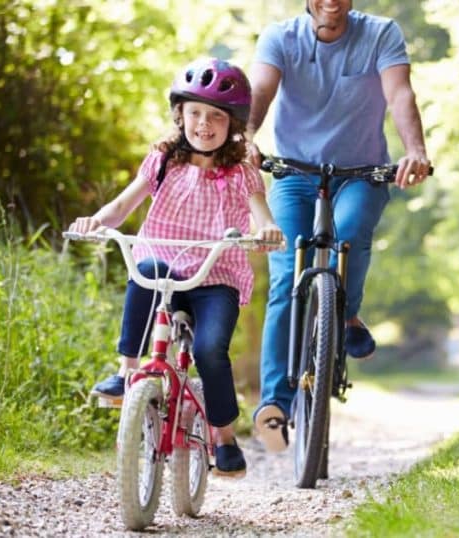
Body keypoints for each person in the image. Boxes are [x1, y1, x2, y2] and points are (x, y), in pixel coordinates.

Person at [70, 58, 284, 478]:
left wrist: (269, 230)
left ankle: (223, 436)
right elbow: (122, 205)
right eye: (195, 113)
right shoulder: (164, 159)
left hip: (214, 277)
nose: (204, 124)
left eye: (216, 116)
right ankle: (127, 371)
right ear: (180, 115)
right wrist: (95, 222)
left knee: (208, 350)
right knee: (144, 268)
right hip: (165, 270)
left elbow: (262, 215)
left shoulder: (241, 172)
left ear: (233, 123)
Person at [246, 0, 431, 453]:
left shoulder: (381, 33)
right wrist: (244, 135)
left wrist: (415, 149)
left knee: (349, 234)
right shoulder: (280, 38)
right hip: (293, 174)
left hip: (361, 173)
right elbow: (260, 93)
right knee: (287, 273)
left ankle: (345, 311)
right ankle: (275, 403)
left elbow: (399, 94)